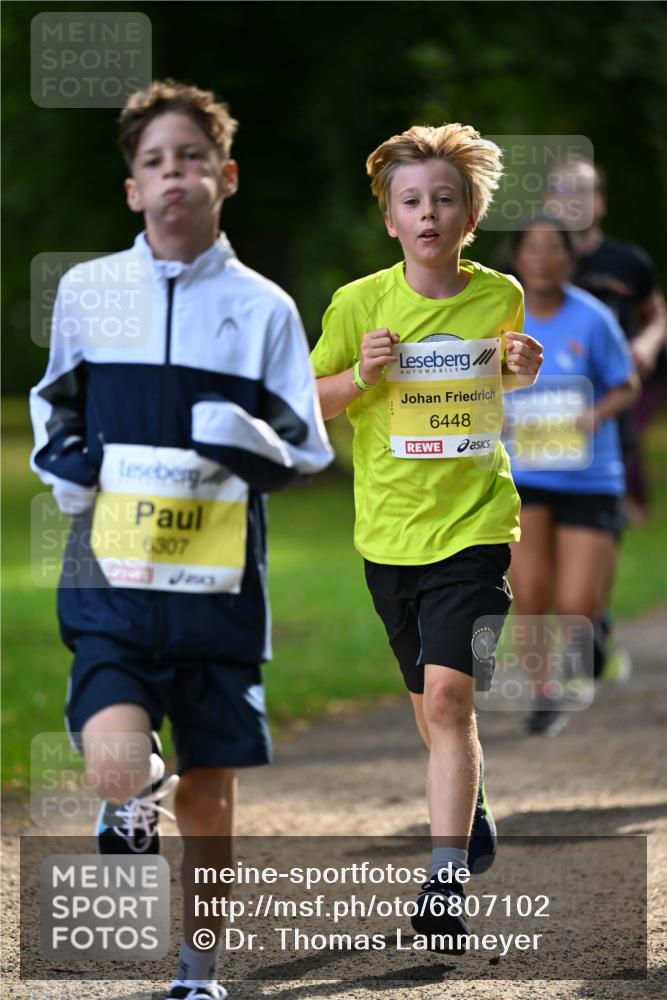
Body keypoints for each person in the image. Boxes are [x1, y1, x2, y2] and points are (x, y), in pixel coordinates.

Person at [29, 79, 333, 1000]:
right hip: (112, 579)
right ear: (132, 188)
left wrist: (255, 444)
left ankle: (197, 973)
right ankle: (130, 798)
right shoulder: (90, 290)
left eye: (191, 159)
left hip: (217, 595)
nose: (173, 176)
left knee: (209, 796)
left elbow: (308, 447)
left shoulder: (266, 308)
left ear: (225, 176)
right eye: (154, 162)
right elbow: (54, 408)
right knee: (119, 759)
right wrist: (68, 465)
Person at [310, 123, 543, 947]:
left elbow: (505, 377)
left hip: (475, 524)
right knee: (431, 707)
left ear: (468, 215)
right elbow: (310, 404)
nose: (429, 213)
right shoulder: (357, 303)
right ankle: (469, 797)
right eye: (412, 201)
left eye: (445, 199)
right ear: (390, 219)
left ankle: (444, 886)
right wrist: (359, 374)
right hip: (388, 538)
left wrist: (522, 367)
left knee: (450, 699)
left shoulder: (499, 295)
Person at [504, 217, 639, 736]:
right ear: (517, 258)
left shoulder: (595, 318)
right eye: (531, 248)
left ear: (570, 258)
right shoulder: (500, 321)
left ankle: (594, 631)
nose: (542, 258)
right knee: (530, 588)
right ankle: (543, 694)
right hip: (526, 472)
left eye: (553, 248)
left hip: (589, 476)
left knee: (578, 601)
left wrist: (596, 415)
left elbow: (626, 384)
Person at [545, 156, 666, 678]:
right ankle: (572, 616)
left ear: (601, 202)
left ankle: (595, 616)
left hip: (610, 407)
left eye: (583, 191)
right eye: (563, 191)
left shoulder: (628, 262)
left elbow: (656, 313)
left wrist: (646, 341)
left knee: (601, 516)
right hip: (544, 410)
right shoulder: (535, 259)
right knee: (538, 515)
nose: (573, 201)